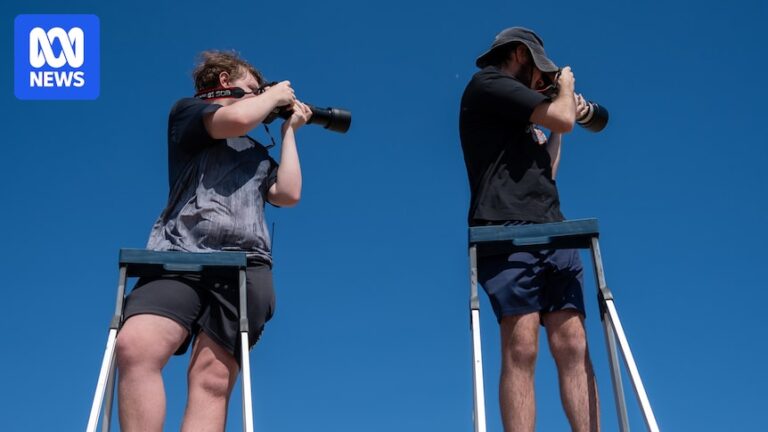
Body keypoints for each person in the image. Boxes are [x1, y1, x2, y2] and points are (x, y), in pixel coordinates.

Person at [115, 50, 311, 431]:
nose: (261, 98)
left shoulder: (256, 153)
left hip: (243, 265)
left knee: (212, 378)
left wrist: (289, 132)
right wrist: (275, 94)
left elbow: (288, 193)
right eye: (253, 89)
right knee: (136, 345)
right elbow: (234, 120)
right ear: (224, 82)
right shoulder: (189, 114)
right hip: (177, 257)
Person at [459, 27, 600, 431]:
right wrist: (565, 89)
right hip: (505, 228)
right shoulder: (488, 84)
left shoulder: (522, 118)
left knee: (572, 343)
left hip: (551, 226)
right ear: (520, 54)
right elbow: (561, 116)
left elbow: (547, 168)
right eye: (540, 72)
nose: (544, 81)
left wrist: (558, 123)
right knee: (522, 346)